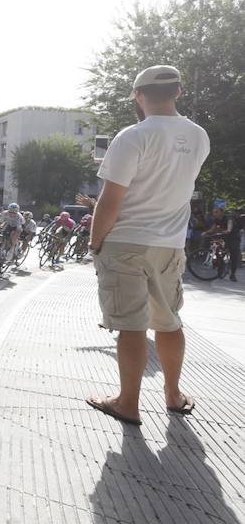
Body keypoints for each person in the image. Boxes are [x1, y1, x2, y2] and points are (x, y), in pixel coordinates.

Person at [87, 64, 210, 426]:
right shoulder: (200, 137)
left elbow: (110, 202)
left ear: (139, 97)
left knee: (132, 326)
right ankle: (173, 395)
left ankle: (128, 402)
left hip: (125, 241)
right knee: (170, 323)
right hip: (170, 245)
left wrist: (96, 243)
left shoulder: (131, 136)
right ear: (179, 92)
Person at [205, 207, 240, 281]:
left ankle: (233, 274)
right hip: (225, 237)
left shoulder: (228, 218)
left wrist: (228, 230)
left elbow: (229, 227)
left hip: (234, 238)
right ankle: (220, 271)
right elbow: (213, 229)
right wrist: (206, 232)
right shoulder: (216, 220)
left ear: (222, 212)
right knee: (220, 253)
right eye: (214, 212)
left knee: (234, 256)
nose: (214, 214)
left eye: (216, 212)